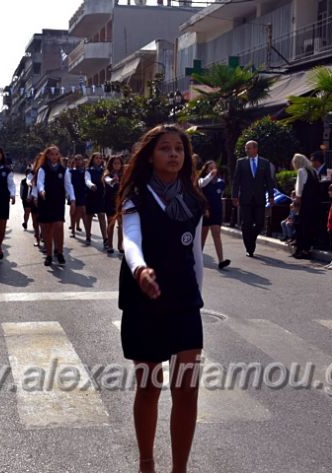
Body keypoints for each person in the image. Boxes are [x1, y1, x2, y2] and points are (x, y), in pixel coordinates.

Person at [117, 124, 205, 473]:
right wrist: (140, 271)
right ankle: (146, 462)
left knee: (187, 389)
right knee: (150, 386)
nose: (174, 155)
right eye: (166, 148)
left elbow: (196, 255)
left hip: (184, 301)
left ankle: (179, 468)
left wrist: (198, 296)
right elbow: (130, 241)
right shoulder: (135, 196)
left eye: (179, 149)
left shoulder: (194, 199)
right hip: (145, 300)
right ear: (151, 156)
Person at [232, 140, 275, 257]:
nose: (246, 150)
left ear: (255, 149)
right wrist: (234, 196)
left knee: (260, 223)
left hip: (260, 198)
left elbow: (269, 181)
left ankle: (252, 238)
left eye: (248, 148)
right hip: (245, 198)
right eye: (246, 148)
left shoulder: (264, 163)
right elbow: (236, 181)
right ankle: (249, 248)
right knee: (246, 224)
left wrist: (271, 195)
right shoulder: (241, 162)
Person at [36, 145, 75, 266]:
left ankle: (60, 252)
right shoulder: (43, 168)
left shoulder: (64, 170)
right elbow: (40, 182)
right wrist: (41, 191)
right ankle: (49, 255)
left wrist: (72, 199)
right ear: (47, 155)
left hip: (58, 201)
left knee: (58, 226)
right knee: (47, 229)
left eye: (56, 154)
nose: (54, 156)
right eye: (51, 154)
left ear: (59, 156)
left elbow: (68, 185)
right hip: (45, 200)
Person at [198, 160, 230, 269]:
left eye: (214, 168)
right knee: (202, 236)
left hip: (216, 211)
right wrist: (210, 176)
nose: (213, 170)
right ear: (206, 170)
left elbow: (219, 194)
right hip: (205, 211)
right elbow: (201, 185)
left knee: (216, 234)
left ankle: (221, 260)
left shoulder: (221, 182)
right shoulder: (202, 181)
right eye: (210, 168)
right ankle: (198, 258)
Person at [291, 153, 319, 259]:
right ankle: (307, 248)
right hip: (313, 202)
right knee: (309, 226)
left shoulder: (301, 171)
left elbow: (299, 188)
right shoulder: (313, 171)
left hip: (305, 202)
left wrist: (297, 201)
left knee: (300, 226)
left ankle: (301, 249)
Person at [84, 152, 108, 247]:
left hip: (101, 195)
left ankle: (105, 238)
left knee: (102, 215)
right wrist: (91, 185)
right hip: (90, 195)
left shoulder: (104, 170)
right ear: (92, 159)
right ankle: (88, 236)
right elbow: (87, 180)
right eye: (96, 158)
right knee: (89, 217)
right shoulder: (88, 170)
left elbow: (107, 179)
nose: (98, 160)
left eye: (100, 158)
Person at [104, 156, 123, 255]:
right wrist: (113, 180)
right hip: (110, 202)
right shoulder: (107, 174)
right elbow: (108, 181)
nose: (117, 165)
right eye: (115, 163)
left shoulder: (124, 175)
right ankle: (110, 245)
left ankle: (120, 245)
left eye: (118, 163)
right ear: (111, 164)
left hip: (121, 202)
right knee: (111, 224)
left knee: (121, 225)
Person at [69, 155, 87, 238]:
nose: (78, 161)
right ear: (74, 161)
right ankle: (73, 230)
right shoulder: (71, 171)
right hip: (73, 193)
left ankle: (87, 232)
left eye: (80, 160)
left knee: (83, 212)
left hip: (82, 193)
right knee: (73, 212)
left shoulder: (85, 171)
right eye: (77, 160)